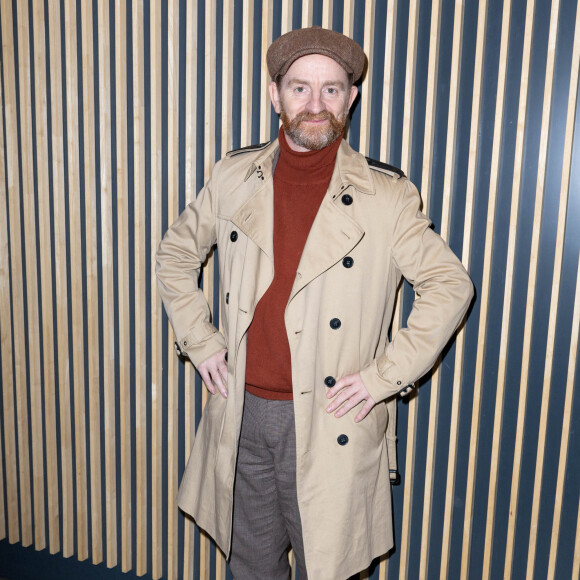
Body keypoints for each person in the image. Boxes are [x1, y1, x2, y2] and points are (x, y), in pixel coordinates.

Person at [156, 26, 473, 580]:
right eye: (300, 88)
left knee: (331, 572)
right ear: (275, 95)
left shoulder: (388, 195)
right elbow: (176, 254)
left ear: (351, 98)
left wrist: (382, 378)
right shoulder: (234, 177)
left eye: (332, 89)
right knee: (250, 570)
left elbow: (451, 286)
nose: (315, 104)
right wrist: (200, 341)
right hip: (242, 414)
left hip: (332, 424)